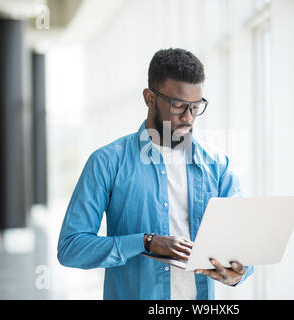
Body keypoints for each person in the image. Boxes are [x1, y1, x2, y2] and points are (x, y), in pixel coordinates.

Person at [57, 48, 254, 300]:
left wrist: (239, 273)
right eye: (179, 106)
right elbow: (71, 247)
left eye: (196, 107)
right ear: (150, 98)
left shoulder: (218, 164)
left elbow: (243, 244)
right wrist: (145, 242)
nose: (189, 118)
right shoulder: (107, 162)